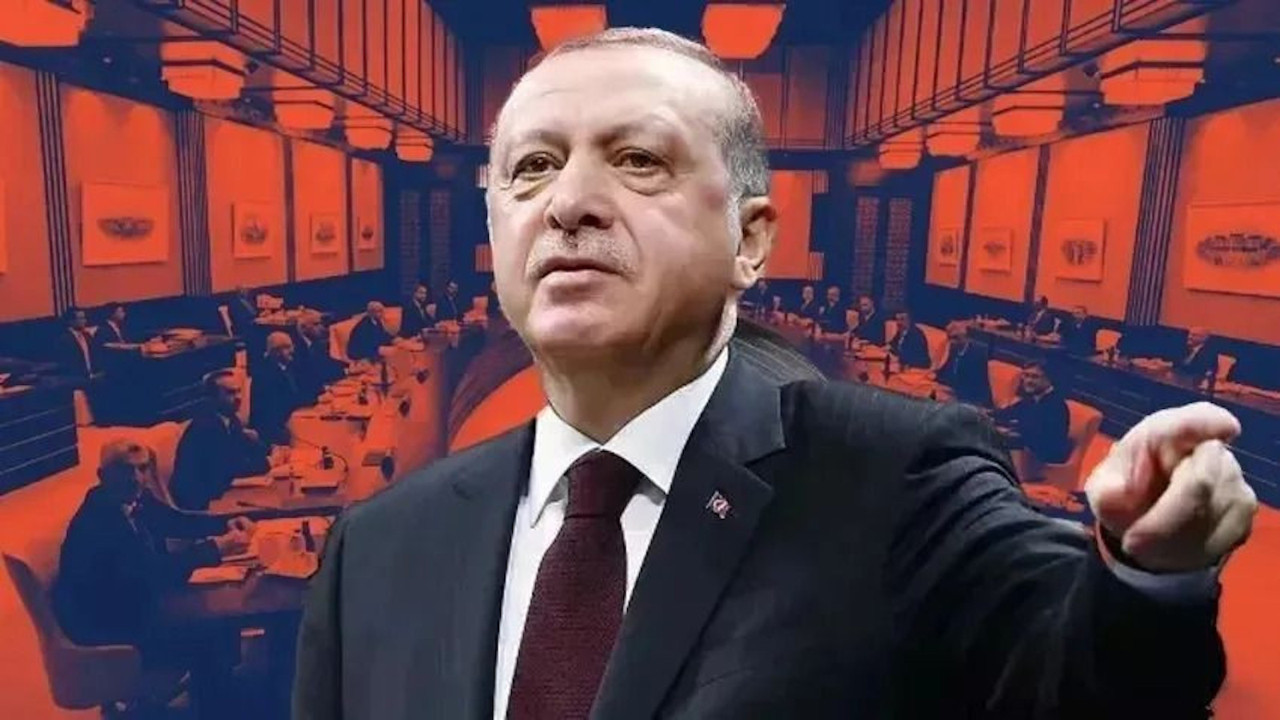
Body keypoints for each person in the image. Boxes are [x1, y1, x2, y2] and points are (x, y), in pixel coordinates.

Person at [295, 28, 1256, 720]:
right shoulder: (376, 546)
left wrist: (1147, 579)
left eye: (637, 160)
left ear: (750, 239)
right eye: (532, 167)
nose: (569, 201)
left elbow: (1074, 675)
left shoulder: (895, 474)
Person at [53, 439, 254, 712]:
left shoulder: (131, 499)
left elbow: (176, 521)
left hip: (132, 605)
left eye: (142, 468)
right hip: (110, 629)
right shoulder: (98, 521)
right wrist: (216, 548)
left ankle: (220, 695)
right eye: (126, 470)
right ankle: (219, 705)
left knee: (219, 622)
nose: (136, 478)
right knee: (211, 630)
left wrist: (225, 523)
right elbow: (156, 573)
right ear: (102, 475)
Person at [170, 370, 271, 510]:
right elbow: (232, 468)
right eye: (230, 393)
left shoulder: (231, 420)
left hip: (221, 493)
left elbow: (245, 453)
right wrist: (268, 462)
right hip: (201, 504)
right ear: (212, 398)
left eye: (239, 391)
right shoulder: (205, 426)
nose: (238, 397)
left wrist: (260, 445)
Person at [993, 360, 1073, 469]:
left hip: (1042, 459)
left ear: (1048, 379)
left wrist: (1010, 432)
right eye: (1026, 375)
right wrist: (983, 415)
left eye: (1035, 377)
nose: (1028, 381)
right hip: (1025, 451)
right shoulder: (1031, 399)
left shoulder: (1056, 405)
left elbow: (1042, 439)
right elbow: (1007, 414)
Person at [250, 332, 304, 446]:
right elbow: (268, 412)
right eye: (287, 347)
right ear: (276, 352)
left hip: (292, 420)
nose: (292, 351)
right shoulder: (264, 374)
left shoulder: (290, 367)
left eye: (291, 346)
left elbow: (298, 394)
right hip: (273, 430)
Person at [933, 321, 992, 406]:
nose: (952, 342)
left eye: (956, 338)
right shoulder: (951, 351)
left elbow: (974, 385)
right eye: (949, 338)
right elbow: (944, 374)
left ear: (965, 337)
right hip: (952, 394)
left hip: (972, 399)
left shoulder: (977, 355)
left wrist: (954, 396)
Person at [295, 311, 345, 400]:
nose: (321, 328)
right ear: (303, 328)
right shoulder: (297, 350)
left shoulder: (319, 345)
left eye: (320, 324)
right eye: (316, 324)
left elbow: (330, 367)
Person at [52, 306, 97, 379]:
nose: (85, 321)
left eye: (84, 318)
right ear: (71, 321)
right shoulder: (64, 340)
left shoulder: (87, 335)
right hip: (76, 379)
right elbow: (68, 363)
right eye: (81, 318)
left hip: (92, 376)